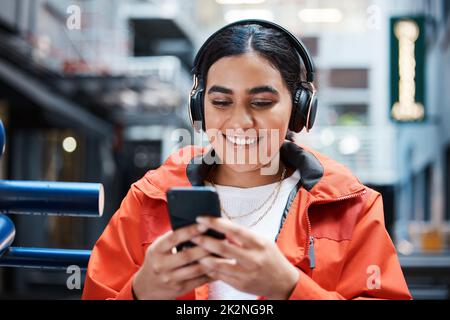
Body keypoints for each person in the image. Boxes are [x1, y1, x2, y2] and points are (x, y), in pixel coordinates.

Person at [82, 20, 411, 300]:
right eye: (222, 102)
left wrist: (291, 289)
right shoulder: (149, 199)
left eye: (262, 102)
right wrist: (139, 292)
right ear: (200, 108)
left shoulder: (352, 207)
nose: (240, 122)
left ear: (300, 110)